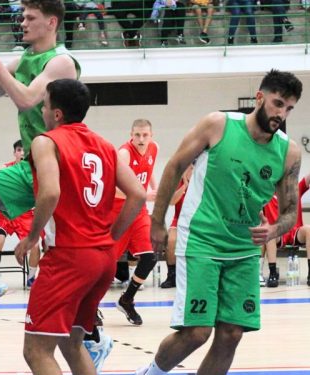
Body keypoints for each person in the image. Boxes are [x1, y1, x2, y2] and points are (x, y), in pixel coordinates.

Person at [138, 69, 302, 375]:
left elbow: (291, 212)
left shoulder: (288, 152)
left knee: (231, 334)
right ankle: (150, 373)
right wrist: (157, 222)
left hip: (242, 249)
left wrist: (275, 229)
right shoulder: (218, 124)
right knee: (197, 333)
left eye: (289, 108)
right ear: (259, 98)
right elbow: (174, 167)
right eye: (278, 103)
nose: (282, 113)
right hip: (202, 239)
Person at [0, 0, 81, 311]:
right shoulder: (23, 60)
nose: (22, 23)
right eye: (22, 16)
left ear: (51, 23)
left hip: (62, 166)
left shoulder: (61, 62)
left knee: (67, 261)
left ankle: (92, 332)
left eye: (30, 17)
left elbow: (25, 100)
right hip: (31, 165)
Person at [14, 79, 146, 375]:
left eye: (45, 105)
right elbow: (137, 194)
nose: (43, 110)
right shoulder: (106, 146)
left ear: (57, 113)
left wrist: (31, 237)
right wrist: (110, 237)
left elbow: (49, 193)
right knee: (73, 346)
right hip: (102, 259)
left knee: (36, 351)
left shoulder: (46, 141)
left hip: (69, 258)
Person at [112, 119, 159, 326]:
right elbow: (113, 187)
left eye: (145, 135)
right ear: (131, 135)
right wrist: (143, 195)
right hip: (118, 213)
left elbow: (148, 174)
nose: (141, 139)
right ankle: (90, 307)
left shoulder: (154, 149)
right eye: (137, 135)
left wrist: (154, 193)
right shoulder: (124, 154)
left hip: (139, 212)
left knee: (150, 257)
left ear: (151, 135)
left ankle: (127, 299)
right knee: (103, 267)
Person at [0, 140, 41, 285]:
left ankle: (31, 278)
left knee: (36, 245)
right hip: (5, 214)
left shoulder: (35, 171)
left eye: (25, 150)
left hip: (25, 215)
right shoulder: (5, 170)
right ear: (14, 153)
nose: (22, 153)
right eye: (19, 150)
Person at [160, 164, 193, 288]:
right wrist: (185, 185)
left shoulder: (203, 181)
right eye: (188, 167)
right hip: (179, 219)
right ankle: (172, 275)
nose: (190, 170)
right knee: (171, 240)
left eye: (192, 167)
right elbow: (172, 201)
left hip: (198, 220)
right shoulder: (178, 181)